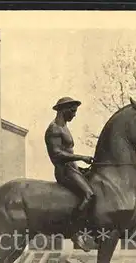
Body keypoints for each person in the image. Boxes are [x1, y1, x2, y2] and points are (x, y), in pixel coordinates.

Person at [45, 96, 95, 251]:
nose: (74, 114)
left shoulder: (64, 128)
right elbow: (57, 155)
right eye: (72, 111)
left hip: (73, 169)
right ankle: (74, 232)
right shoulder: (54, 129)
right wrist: (81, 157)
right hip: (64, 171)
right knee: (89, 195)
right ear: (63, 110)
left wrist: (81, 168)